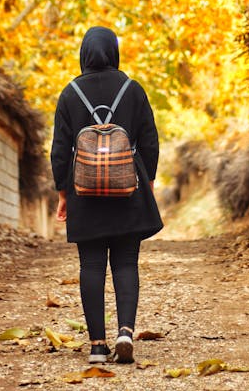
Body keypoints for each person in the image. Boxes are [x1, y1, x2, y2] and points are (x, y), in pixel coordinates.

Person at [50, 26, 163, 364]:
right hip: (129, 190)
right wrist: (149, 179)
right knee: (127, 262)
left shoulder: (69, 93)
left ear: (84, 53)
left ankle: (97, 346)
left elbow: (59, 149)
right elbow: (150, 140)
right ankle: (125, 332)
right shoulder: (133, 90)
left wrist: (62, 192)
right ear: (114, 52)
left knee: (91, 264)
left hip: (85, 192)